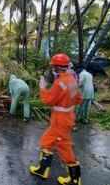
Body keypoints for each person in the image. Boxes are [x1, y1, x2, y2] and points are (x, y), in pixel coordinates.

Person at [29, 53, 83, 185]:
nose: (52, 69)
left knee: (56, 145)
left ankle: (73, 179)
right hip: (67, 117)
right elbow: (78, 99)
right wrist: (65, 103)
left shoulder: (60, 83)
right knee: (53, 143)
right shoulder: (71, 80)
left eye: (53, 67)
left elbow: (48, 100)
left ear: (56, 67)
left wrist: (42, 87)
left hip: (60, 120)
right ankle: (46, 171)